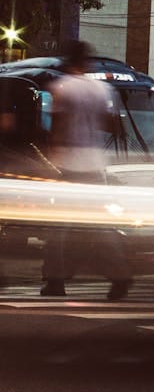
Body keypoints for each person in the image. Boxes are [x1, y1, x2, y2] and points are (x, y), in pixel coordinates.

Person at [40, 39, 133, 301]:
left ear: (69, 61)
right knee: (100, 226)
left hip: (68, 166)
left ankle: (55, 281)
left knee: (56, 228)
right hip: (95, 166)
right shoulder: (102, 90)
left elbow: (57, 129)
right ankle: (120, 276)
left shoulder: (62, 88)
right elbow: (111, 126)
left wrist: (51, 159)